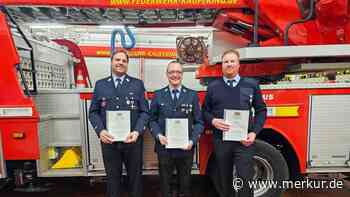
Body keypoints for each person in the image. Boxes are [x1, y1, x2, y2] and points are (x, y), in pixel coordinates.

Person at [202, 49, 267, 197]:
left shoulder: (251, 85)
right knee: (224, 179)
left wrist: (254, 132)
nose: (229, 64)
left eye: (232, 61)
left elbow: (261, 110)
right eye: (226, 62)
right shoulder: (213, 87)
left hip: (244, 141)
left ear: (239, 65)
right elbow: (204, 111)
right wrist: (213, 120)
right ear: (222, 66)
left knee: (245, 178)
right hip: (222, 141)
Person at [89, 50, 149, 197]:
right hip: (109, 142)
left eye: (124, 60)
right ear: (111, 62)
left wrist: (137, 131)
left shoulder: (137, 84)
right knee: (112, 181)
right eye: (117, 59)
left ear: (127, 64)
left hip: (132, 141)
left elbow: (145, 112)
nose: (120, 62)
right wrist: (101, 131)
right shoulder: (101, 85)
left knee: (135, 181)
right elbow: (93, 112)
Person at [149, 60, 204, 197]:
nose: (175, 75)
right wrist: (158, 135)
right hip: (164, 147)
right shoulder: (158, 95)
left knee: (185, 184)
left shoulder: (192, 95)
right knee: (165, 184)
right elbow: (151, 120)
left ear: (182, 74)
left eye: (178, 72)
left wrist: (192, 141)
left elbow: (199, 122)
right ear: (167, 74)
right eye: (172, 72)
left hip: (185, 148)